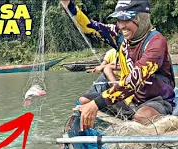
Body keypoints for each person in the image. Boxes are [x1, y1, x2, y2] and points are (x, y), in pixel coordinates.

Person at [61, 0, 175, 130]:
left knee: (142, 117)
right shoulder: (119, 35)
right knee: (84, 101)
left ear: (142, 18)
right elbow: (89, 26)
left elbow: (133, 80)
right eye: (118, 20)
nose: (121, 26)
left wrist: (97, 104)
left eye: (126, 20)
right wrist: (68, 4)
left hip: (157, 101)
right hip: (129, 100)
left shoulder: (156, 42)